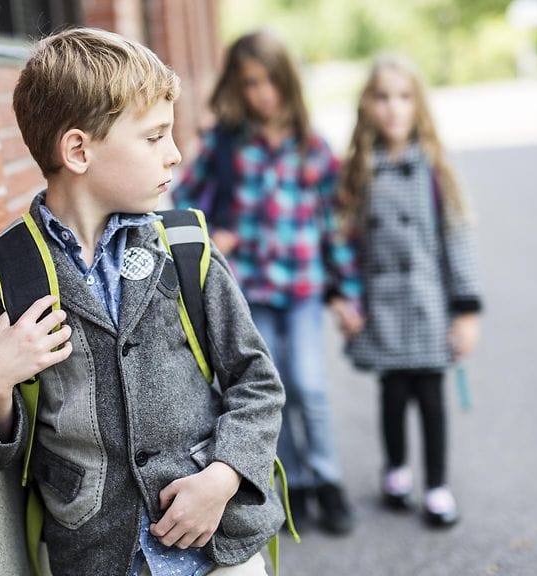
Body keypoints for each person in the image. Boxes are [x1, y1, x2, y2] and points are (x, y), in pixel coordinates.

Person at [0, 28, 286, 575]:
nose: (176, 154)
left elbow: (258, 382)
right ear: (79, 150)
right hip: (99, 556)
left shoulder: (185, 247)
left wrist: (225, 474)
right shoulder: (5, 277)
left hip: (217, 546)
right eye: (155, 137)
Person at [172, 30, 363, 536]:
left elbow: (334, 226)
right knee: (267, 389)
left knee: (310, 386)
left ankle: (327, 479)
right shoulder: (225, 144)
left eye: (271, 82)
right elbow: (181, 205)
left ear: (288, 82)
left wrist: (345, 292)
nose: (263, 95)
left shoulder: (312, 146)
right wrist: (213, 237)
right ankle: (293, 479)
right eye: (251, 83)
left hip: (302, 291)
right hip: (250, 292)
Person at [340, 53, 483, 528]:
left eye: (404, 97)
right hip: (381, 307)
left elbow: (457, 238)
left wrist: (465, 309)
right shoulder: (359, 171)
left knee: (431, 396)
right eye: (382, 98)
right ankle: (397, 468)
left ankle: (438, 485)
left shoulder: (435, 169)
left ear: (418, 106)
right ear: (367, 106)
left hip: (428, 306)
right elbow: (345, 243)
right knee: (393, 393)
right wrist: (346, 299)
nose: (393, 108)